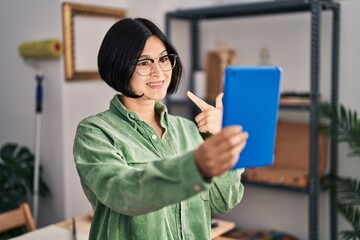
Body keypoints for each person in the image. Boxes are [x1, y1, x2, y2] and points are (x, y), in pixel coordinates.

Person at [73, 17, 248, 240]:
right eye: (144, 62)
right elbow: (124, 193)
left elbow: (223, 201)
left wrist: (225, 142)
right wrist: (195, 166)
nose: (159, 72)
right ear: (119, 65)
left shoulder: (188, 129)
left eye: (164, 59)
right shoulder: (95, 132)